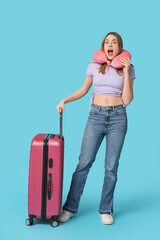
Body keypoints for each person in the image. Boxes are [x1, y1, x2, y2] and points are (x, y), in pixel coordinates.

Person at [56, 32, 136, 225]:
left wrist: (125, 73)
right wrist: (64, 100)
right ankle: (70, 208)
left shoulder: (129, 69)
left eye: (114, 42)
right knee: (83, 163)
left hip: (118, 118)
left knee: (111, 167)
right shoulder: (93, 66)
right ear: (103, 47)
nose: (110, 44)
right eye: (107, 42)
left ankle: (106, 209)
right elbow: (84, 90)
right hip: (96, 116)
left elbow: (127, 100)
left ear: (119, 48)